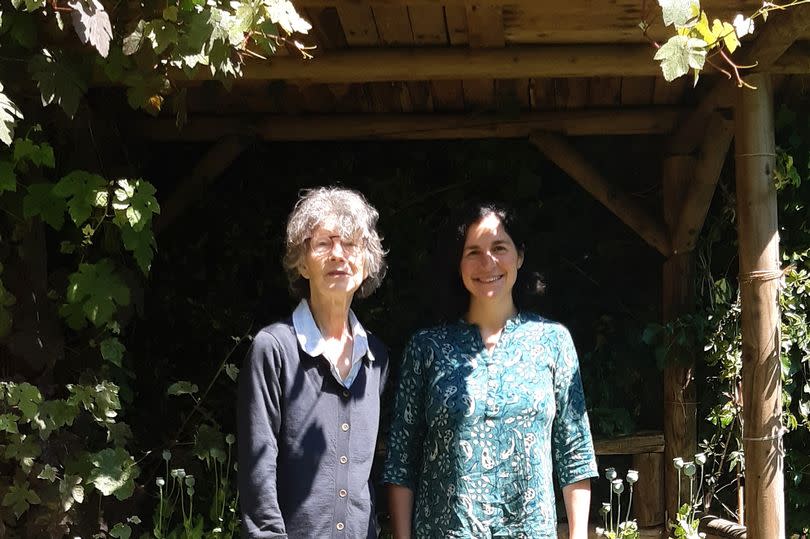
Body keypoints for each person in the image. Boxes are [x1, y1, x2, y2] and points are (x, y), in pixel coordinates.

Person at [384, 202, 598, 539]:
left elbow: (575, 453)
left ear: (520, 256)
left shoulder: (553, 342)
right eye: (473, 252)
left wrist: (578, 535)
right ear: (459, 263)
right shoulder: (427, 348)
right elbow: (401, 458)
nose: (488, 263)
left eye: (500, 248)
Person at [238, 187, 389, 538]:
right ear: (302, 262)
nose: (338, 254)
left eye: (350, 244)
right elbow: (257, 475)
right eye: (323, 244)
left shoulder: (376, 358)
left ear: (367, 262)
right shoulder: (273, 349)